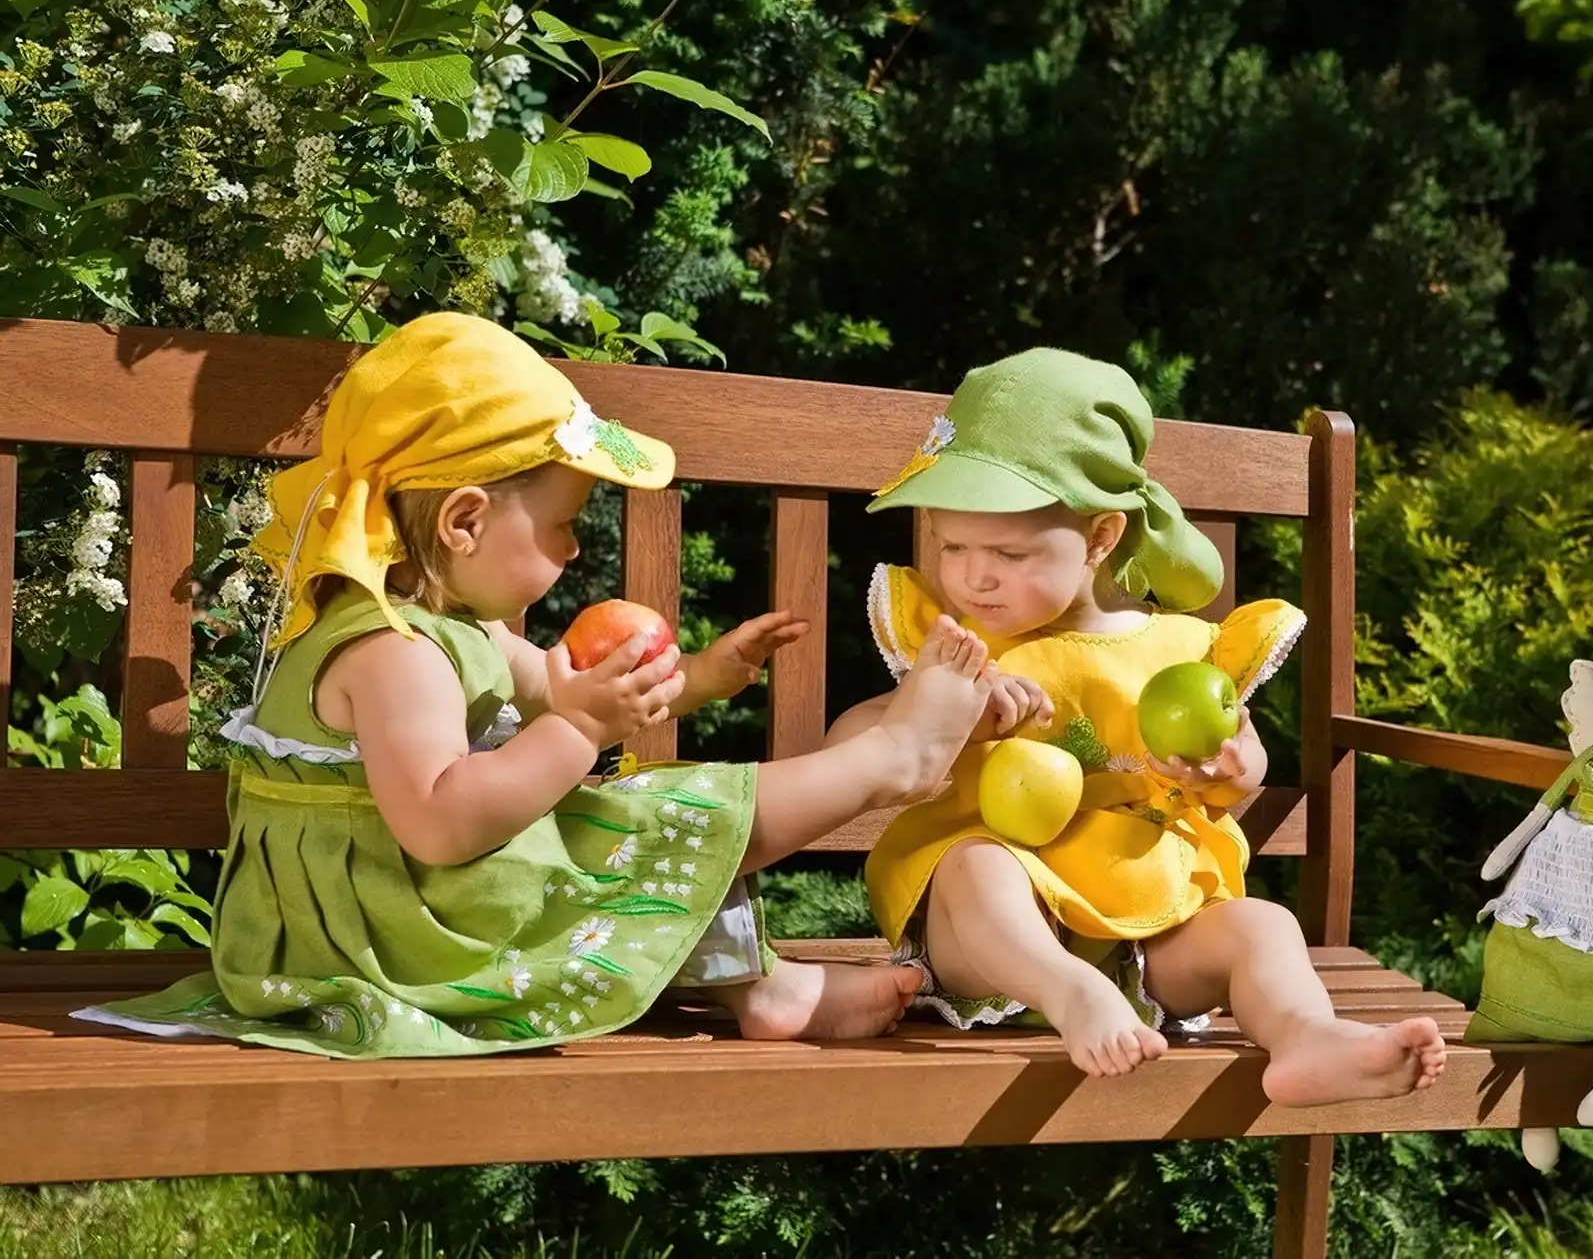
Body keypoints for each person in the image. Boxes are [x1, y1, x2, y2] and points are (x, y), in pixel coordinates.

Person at [79, 312, 991, 1057]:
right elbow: (442, 821)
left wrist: (707, 675)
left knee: (626, 820)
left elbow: (566, 696)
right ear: (466, 522)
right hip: (379, 931)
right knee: (625, 818)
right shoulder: (395, 656)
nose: (574, 547)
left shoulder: (460, 627)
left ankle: (769, 987)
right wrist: (581, 738)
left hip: (418, 898)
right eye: (562, 523)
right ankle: (888, 758)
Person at [829, 349, 1447, 1105]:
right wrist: (937, 709)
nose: (972, 575)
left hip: (1151, 931)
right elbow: (848, 746)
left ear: (1099, 537)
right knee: (976, 865)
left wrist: (1230, 767)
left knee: (1263, 925)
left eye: (1007, 551)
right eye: (951, 545)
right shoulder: (957, 650)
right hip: (1000, 947)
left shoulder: (1180, 651)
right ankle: (1071, 992)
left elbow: (1241, 756)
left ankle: (1304, 1035)